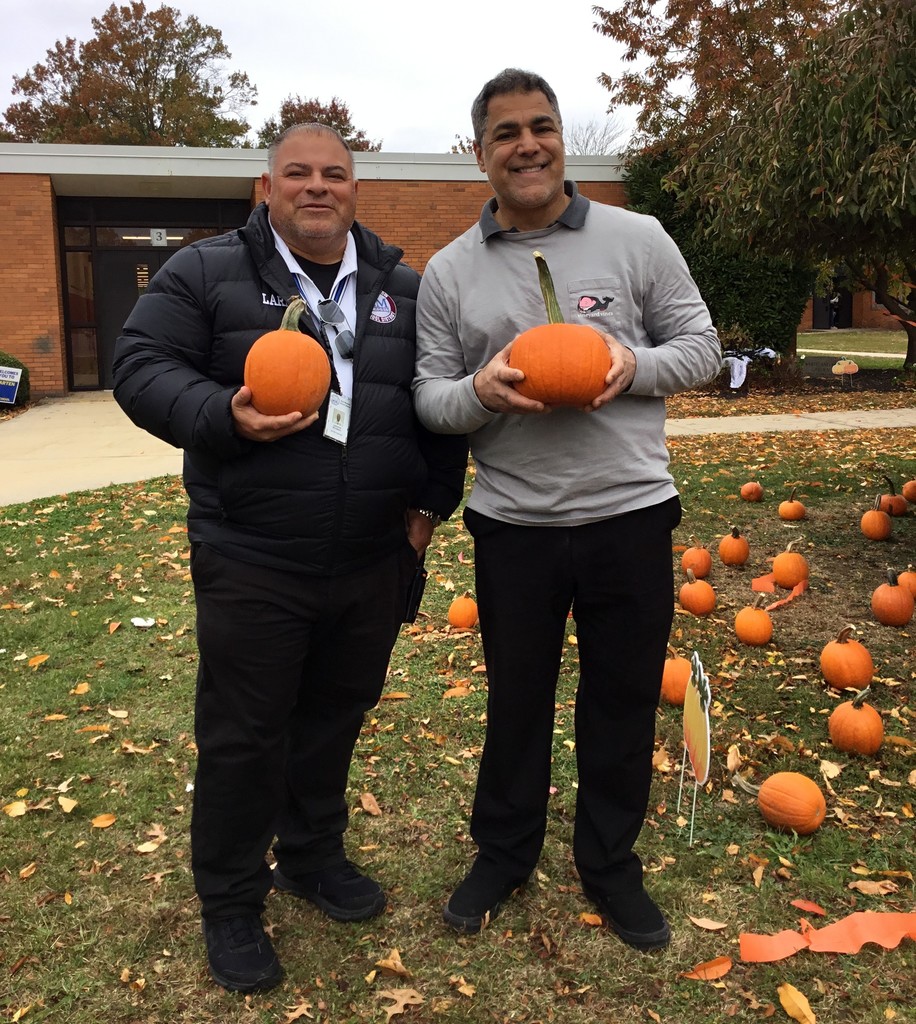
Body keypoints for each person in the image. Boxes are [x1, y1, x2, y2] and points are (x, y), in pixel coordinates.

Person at [113, 124, 468, 993]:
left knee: (334, 717)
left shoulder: (401, 288)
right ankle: (232, 901)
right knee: (243, 736)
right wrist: (218, 414)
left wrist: (428, 510)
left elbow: (439, 401)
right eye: (297, 174)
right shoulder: (206, 272)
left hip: (370, 558)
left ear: (356, 189)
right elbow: (138, 362)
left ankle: (310, 855)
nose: (318, 187)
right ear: (264, 187)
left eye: (334, 174)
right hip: (254, 553)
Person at [413, 69, 722, 951]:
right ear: (481, 154)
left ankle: (609, 863)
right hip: (515, 525)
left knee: (622, 700)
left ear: (562, 139)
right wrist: (479, 391)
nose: (527, 145)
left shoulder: (639, 237)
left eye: (540, 126)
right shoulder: (450, 272)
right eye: (505, 132)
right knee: (517, 701)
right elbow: (429, 399)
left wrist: (632, 366)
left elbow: (700, 345)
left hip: (629, 515)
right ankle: (503, 854)